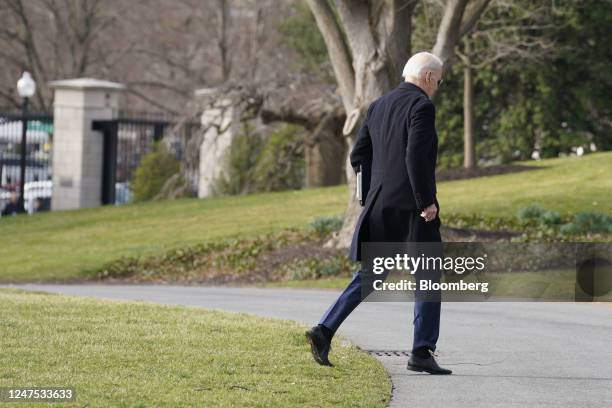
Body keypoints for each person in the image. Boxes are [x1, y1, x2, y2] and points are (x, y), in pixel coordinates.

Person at [305, 52, 452, 375]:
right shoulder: (422, 107)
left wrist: (369, 194)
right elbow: (415, 156)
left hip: (380, 205)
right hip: (413, 209)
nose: (438, 86)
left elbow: (359, 156)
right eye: (439, 80)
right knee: (427, 275)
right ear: (428, 77)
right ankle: (421, 352)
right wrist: (426, 201)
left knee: (372, 274)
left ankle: (324, 330)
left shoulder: (379, 105)